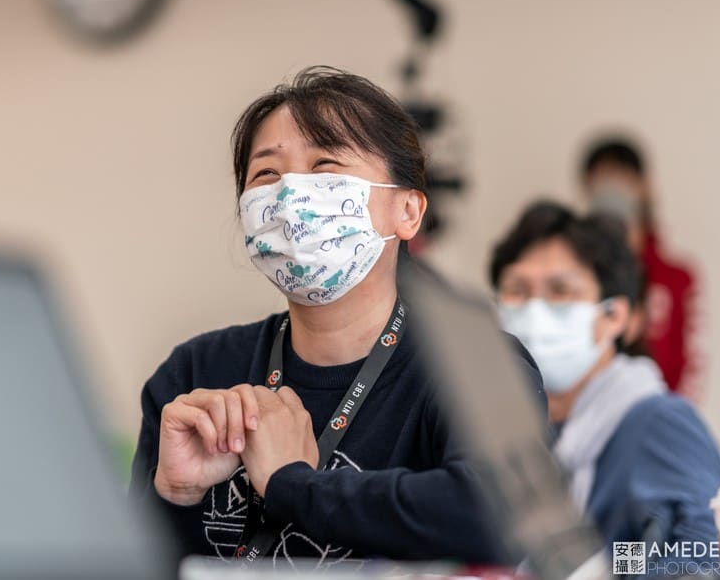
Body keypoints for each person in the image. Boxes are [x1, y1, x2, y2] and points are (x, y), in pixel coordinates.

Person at [130, 67, 545, 568]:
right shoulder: (196, 372)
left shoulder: (474, 365)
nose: (289, 196)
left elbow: (499, 520)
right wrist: (171, 494)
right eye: (266, 174)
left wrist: (293, 485)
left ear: (408, 212)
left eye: (325, 168)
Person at [490, 201, 720, 570]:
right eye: (517, 290)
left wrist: (611, 571)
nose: (535, 312)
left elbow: (703, 557)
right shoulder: (511, 433)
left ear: (614, 316)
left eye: (560, 290)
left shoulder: (659, 423)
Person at [580, 135, 702, 399]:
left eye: (621, 178)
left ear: (644, 187)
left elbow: (685, 362)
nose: (611, 189)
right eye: (602, 180)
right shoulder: (578, 273)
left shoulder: (676, 279)